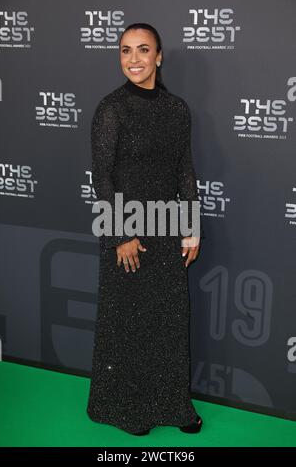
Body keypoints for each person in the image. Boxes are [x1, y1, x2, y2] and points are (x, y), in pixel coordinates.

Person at [86, 22, 204, 436]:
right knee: (128, 324)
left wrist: (191, 227)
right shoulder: (111, 109)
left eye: (142, 50)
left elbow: (185, 172)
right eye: (125, 50)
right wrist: (120, 234)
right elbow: (102, 177)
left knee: (169, 321)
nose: (133, 59)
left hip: (167, 228)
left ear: (158, 57)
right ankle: (125, 407)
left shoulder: (177, 110)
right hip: (124, 229)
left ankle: (173, 404)